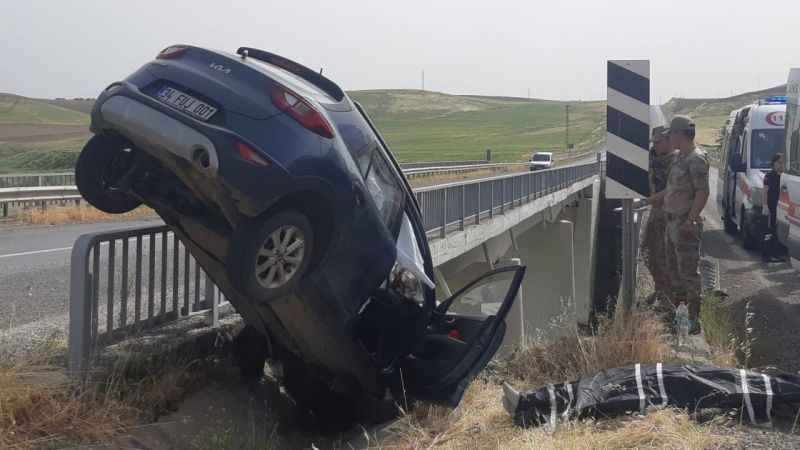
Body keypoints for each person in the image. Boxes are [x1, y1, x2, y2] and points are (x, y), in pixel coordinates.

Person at [648, 115, 709, 334]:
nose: (668, 138)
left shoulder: (696, 159)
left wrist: (691, 219)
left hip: (684, 225)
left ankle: (693, 321)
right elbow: (672, 189)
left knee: (689, 275)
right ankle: (677, 315)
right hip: (671, 222)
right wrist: (652, 200)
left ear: (679, 134)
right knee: (673, 273)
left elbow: (703, 192)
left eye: (671, 133)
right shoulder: (680, 158)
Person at [642, 126, 677, 304]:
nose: (655, 146)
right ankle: (660, 289)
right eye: (653, 142)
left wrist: (648, 200)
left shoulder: (678, 160)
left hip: (671, 214)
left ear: (669, 140)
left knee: (666, 258)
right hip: (657, 212)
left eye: (658, 142)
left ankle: (668, 300)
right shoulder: (653, 156)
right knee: (648, 251)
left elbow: (672, 188)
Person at [762, 153, 787, 262]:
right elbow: (765, 191)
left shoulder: (783, 177)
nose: (781, 165)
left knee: (776, 232)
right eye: (779, 162)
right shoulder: (769, 176)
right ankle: (766, 255)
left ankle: (774, 254)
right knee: (769, 231)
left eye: (783, 163)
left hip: (780, 208)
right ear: (774, 163)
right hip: (771, 207)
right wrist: (765, 206)